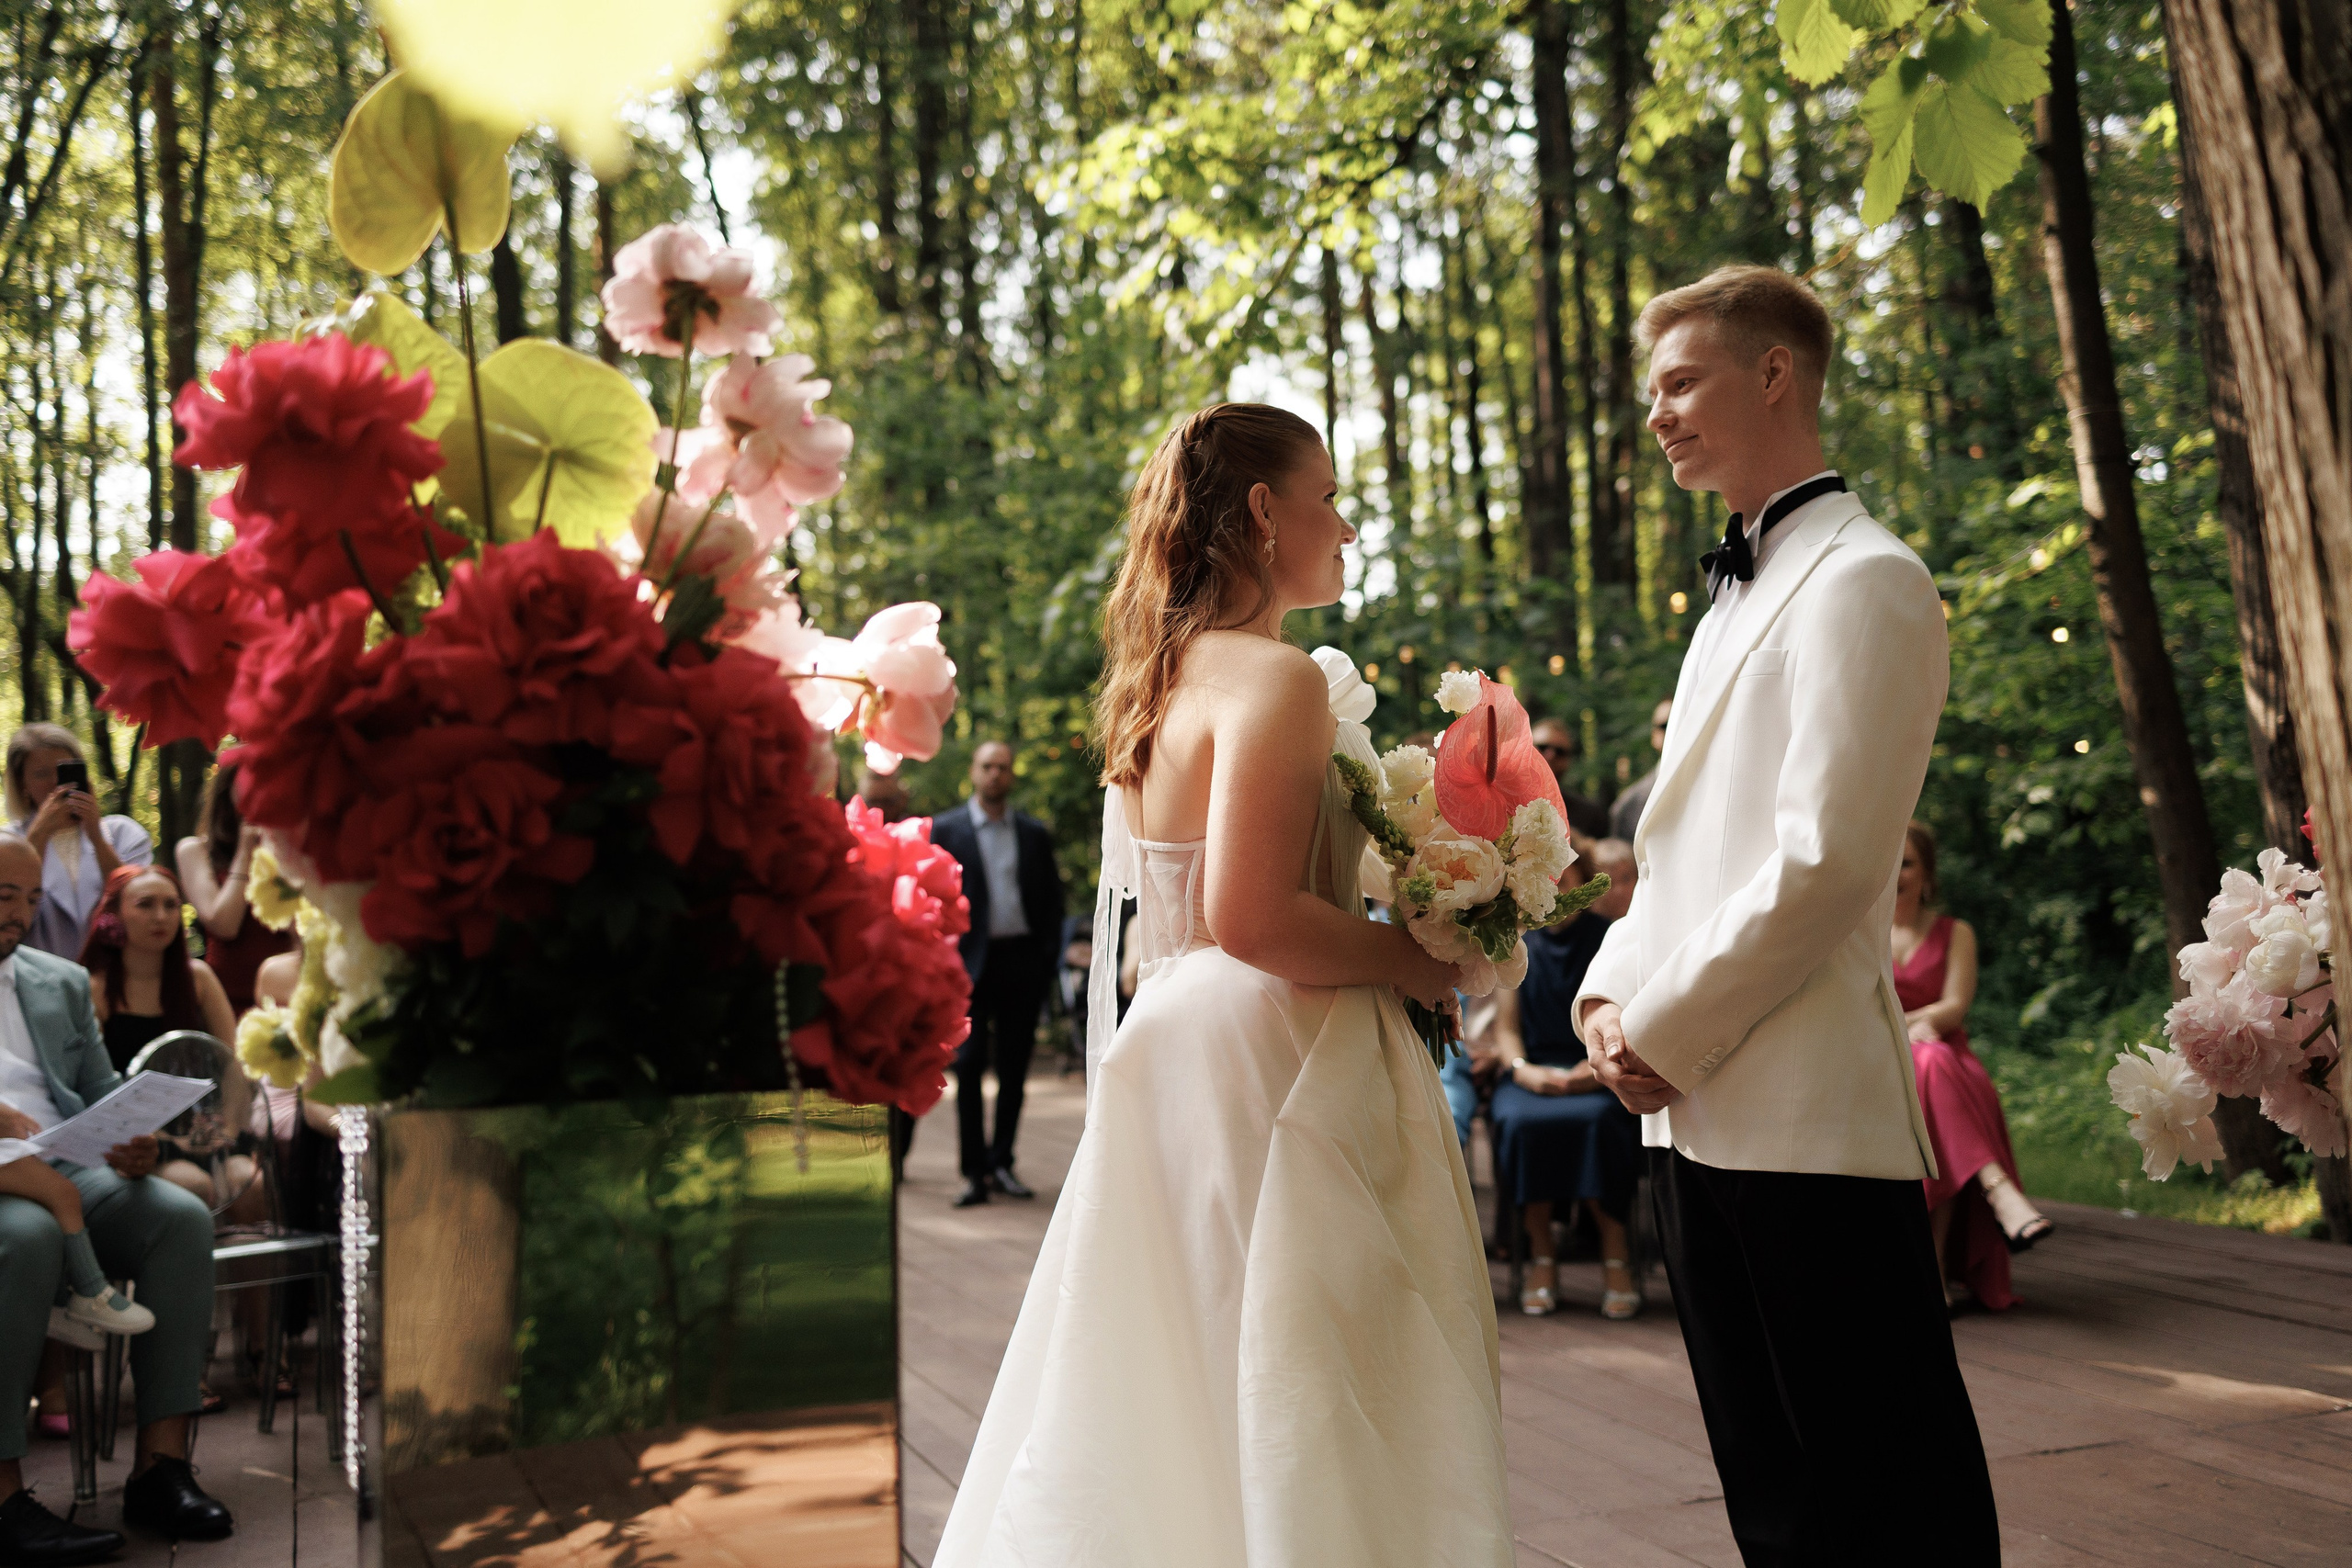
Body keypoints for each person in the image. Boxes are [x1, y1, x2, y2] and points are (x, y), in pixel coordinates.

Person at [934, 404, 1511, 1566]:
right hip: (1278, 1052)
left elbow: (1193, 912)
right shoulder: (1279, 679)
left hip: (1176, 1036)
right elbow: (1255, 917)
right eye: (1330, 496)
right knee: (1318, 1367)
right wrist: (1418, 956)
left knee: (1170, 1363)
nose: (1345, 526)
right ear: (1262, 513)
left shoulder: (1160, 678)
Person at [1576, 265, 1996, 1563]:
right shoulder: (1731, 599)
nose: (1659, 415)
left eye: (1683, 381)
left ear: (1775, 375)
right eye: (1654, 392)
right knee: (1774, 1487)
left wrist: (1660, 1023)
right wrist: (1605, 995)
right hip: (1690, 1113)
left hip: (1806, 1112)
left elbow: (1827, 863)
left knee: (1883, 1481)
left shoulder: (1867, 578)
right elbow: (1677, 844)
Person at [0, 838, 235, 1557]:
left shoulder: (57, 981)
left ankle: (161, 1468)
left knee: (180, 1217)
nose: (20, 914)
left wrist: (134, 1138)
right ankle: (2, 1493)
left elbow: (101, 1092)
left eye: (32, 899)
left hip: (69, 1160)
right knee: (30, 1234)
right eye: (4, 895)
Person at [1895, 821, 2052, 1313]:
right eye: (1889, 862)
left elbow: (1954, 1007)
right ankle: (1998, 1190)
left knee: (1936, 1061)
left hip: (1945, 1056)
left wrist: (1915, 1025)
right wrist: (1905, 1031)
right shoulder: (1859, 932)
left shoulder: (1955, 932)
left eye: (1907, 863)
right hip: (1884, 1059)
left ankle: (1934, 1270)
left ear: (1928, 873)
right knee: (1932, 1063)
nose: (1895, 874)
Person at [1488, 866, 1644, 1321]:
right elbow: (1506, 1030)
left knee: (1600, 1121)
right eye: (1544, 878)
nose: (1554, 889)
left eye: (1565, 880)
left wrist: (1592, 1069)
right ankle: (1542, 1255)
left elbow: (1626, 1014)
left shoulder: (1608, 938)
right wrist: (1523, 1070)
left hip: (1596, 1068)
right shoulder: (1517, 942)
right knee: (1519, 1123)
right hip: (1532, 1071)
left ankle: (1616, 1255)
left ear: (1581, 885)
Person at [929, 740, 1065, 1208]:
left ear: (1012, 775)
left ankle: (1002, 1161)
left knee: (1013, 1069)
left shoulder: (1032, 833)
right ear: (974, 770)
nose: (995, 775)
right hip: (968, 966)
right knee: (968, 1068)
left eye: (1003, 768)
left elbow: (1051, 901)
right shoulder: (945, 830)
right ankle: (973, 1174)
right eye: (988, 766)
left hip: (1021, 963)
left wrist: (1046, 957)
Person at [78, 866, 251, 1207]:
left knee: (249, 1182)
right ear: (113, 914)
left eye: (171, 905)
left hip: (206, 1130)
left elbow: (234, 1060)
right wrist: (163, 1139)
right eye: (146, 905)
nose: (161, 916)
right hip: (136, 1141)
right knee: (193, 1185)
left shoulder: (198, 978)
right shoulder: (93, 988)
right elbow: (91, 1085)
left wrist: (228, 1127)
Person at [5, 722, 153, 960]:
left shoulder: (123, 833)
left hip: (112, 977)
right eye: (42, 774)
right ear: (23, 784)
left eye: (63, 771)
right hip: (39, 977)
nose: (56, 783)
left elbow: (137, 900)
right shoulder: (9, 842)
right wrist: (38, 835)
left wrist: (95, 834)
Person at [175, 761, 293, 1016]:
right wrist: (246, 849)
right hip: (224, 1001)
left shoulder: (292, 849)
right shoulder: (195, 851)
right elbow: (224, 924)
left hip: (285, 994)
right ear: (227, 789)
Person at [1530, 716, 1611, 839]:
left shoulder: (1590, 814)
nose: (1550, 755)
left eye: (1560, 752)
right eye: (1542, 747)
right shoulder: (1500, 801)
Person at [1610, 698, 1673, 841]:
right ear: (1654, 735)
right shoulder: (1629, 804)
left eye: (1682, 722)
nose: (1673, 731)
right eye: (1666, 726)